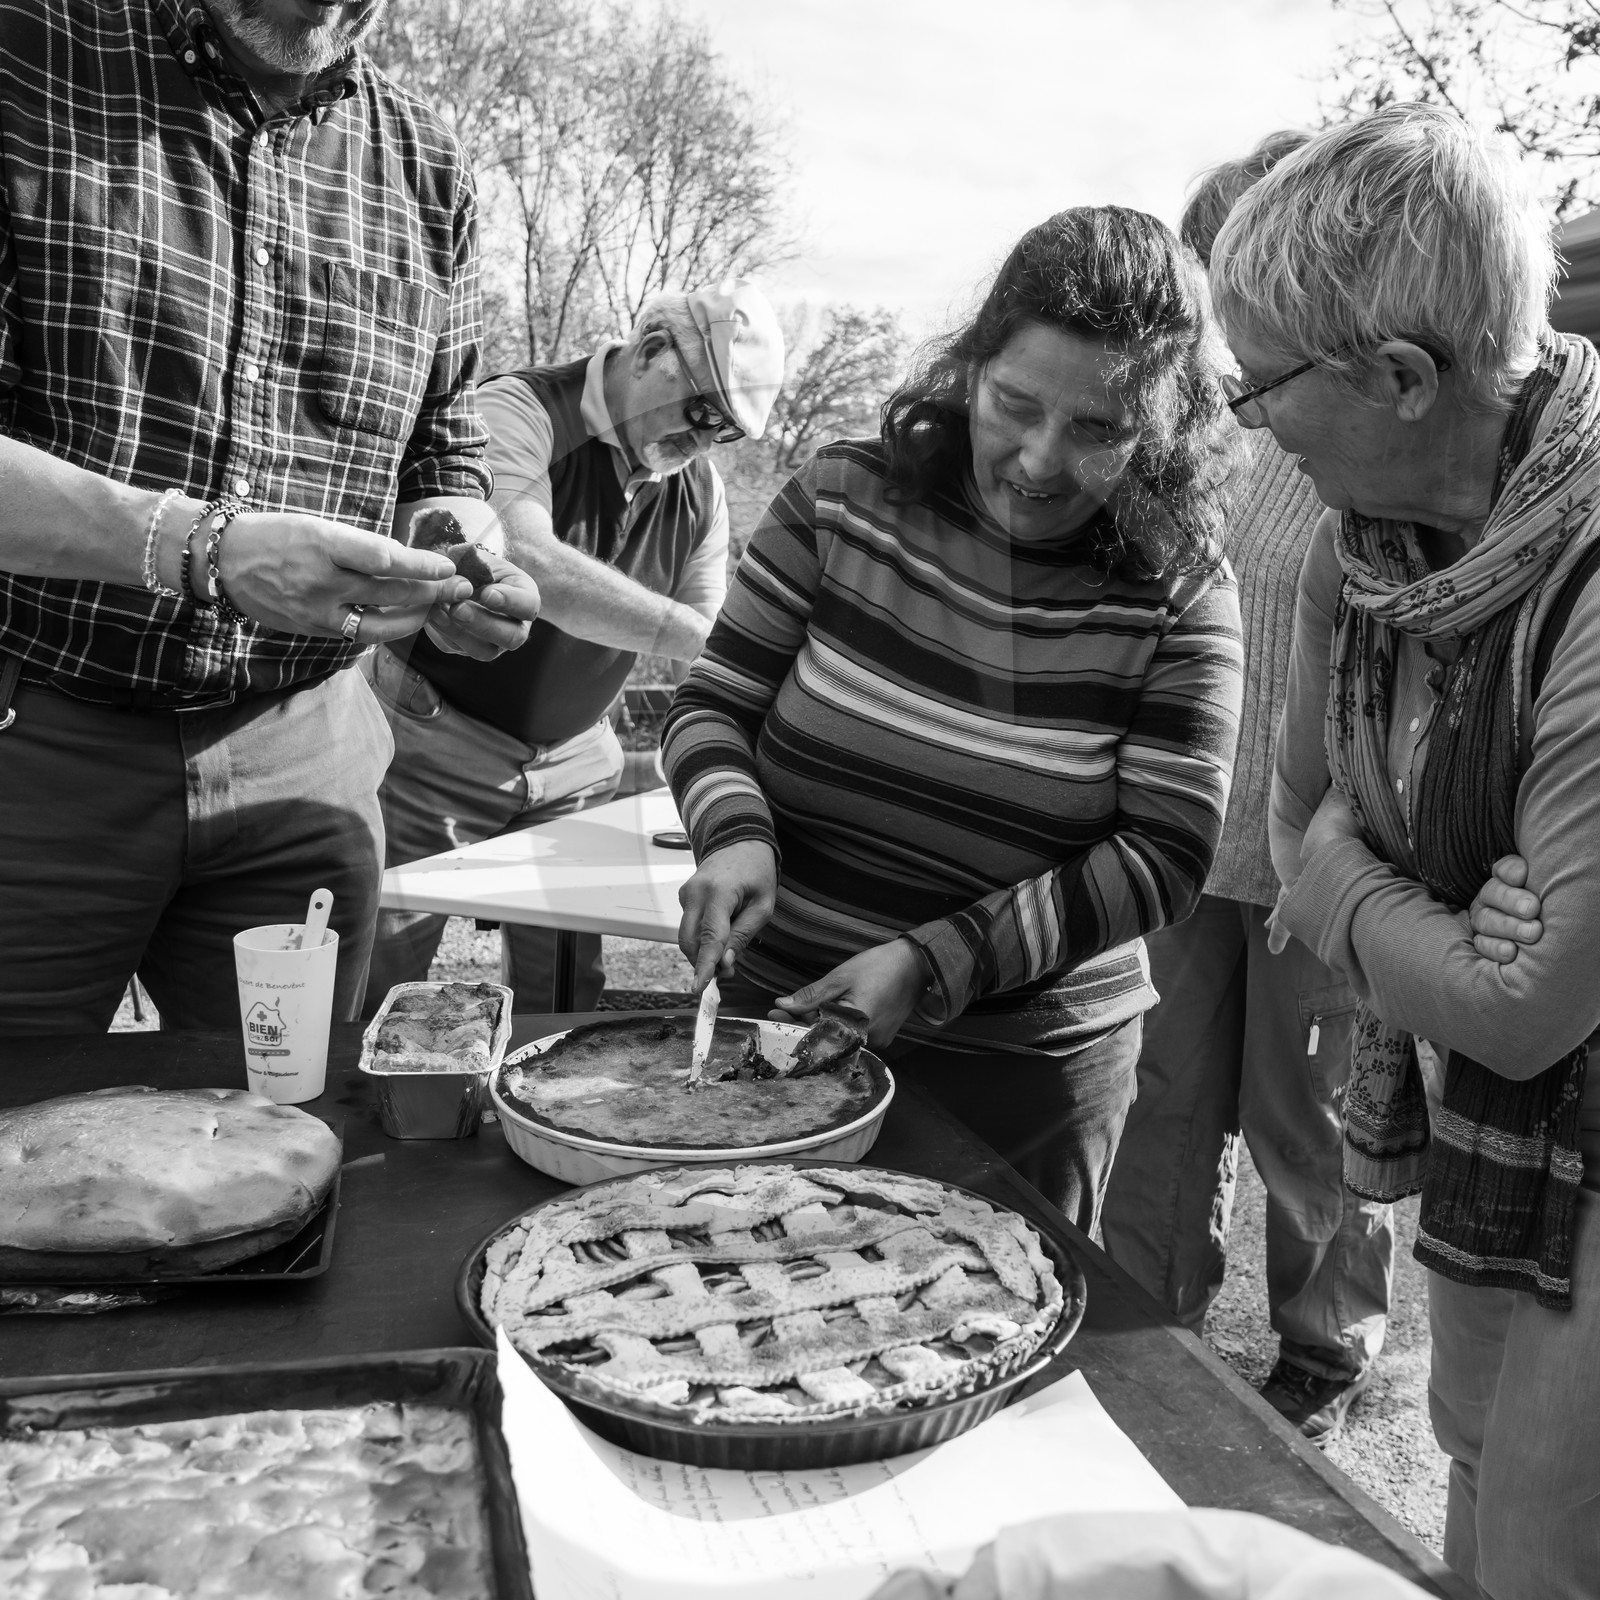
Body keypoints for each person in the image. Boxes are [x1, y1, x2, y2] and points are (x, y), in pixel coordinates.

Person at [663, 207, 1245, 1235]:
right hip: (779, 1025)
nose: (1037, 459)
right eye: (1014, 403)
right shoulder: (843, 497)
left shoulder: (1180, 588)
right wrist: (735, 832)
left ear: (1164, 430)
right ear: (970, 368)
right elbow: (713, 702)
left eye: (1098, 430)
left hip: (1019, 1080)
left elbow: (1164, 853)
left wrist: (933, 965)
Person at [1208, 104, 1600, 1597]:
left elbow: (1527, 1002)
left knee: (1556, 1539)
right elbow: (1290, 824)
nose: (1252, 424)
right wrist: (1426, 902)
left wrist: (1355, 879)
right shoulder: (1361, 543)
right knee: (1480, 1454)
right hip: (1499, 1124)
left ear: (1404, 377)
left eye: (1261, 385)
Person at [0, 0, 539, 1035]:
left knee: (290, 1145)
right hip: (42, 745)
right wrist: (201, 548)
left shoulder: (428, 161)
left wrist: (458, 558)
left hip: (310, 758)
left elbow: (447, 452)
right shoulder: (31, 54)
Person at [1100, 133, 1395, 1445]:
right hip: (1182, 841)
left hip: (1320, 852)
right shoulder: (1184, 446)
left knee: (1308, 1121)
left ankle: (1322, 1355)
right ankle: (1144, 1316)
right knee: (1160, 1097)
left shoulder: (1360, 441)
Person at [363, 281, 784, 1014]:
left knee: (565, 994)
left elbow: (709, 647)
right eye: (701, 411)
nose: (704, 442)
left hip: (576, 763)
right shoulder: (517, 409)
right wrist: (683, 632)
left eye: (726, 430)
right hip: (435, 741)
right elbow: (525, 556)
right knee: (386, 971)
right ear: (652, 349)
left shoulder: (702, 494)